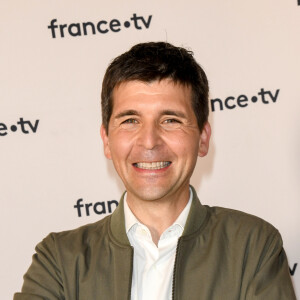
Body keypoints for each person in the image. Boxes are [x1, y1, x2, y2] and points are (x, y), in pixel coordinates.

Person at [14, 42, 296, 300]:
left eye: (171, 120)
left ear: (203, 138)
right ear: (106, 140)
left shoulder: (252, 247)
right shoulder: (59, 261)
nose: (149, 141)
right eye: (130, 121)